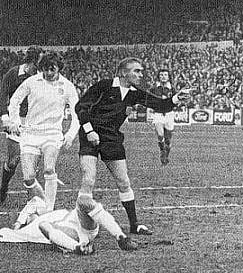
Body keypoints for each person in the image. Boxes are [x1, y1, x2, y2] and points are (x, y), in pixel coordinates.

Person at [75, 57, 187, 235]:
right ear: (123, 72)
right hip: (90, 136)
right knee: (89, 179)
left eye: (141, 71)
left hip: (112, 138)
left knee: (123, 181)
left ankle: (134, 224)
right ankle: (81, 224)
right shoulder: (104, 86)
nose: (141, 74)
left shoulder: (135, 93)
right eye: (137, 71)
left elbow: (160, 104)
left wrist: (175, 98)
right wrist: (89, 130)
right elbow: (81, 106)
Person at [8, 52, 80, 213]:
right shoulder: (32, 81)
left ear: (59, 69)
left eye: (52, 70)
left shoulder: (67, 86)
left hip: (52, 134)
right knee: (28, 178)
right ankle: (44, 205)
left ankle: (48, 210)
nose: (48, 73)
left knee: (49, 169)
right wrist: (15, 121)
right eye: (45, 69)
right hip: (30, 134)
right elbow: (14, 101)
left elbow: (78, 113)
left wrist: (70, 135)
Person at [12, 194, 137, 254]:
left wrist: (19, 222)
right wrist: (19, 228)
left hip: (79, 223)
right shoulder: (29, 230)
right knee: (43, 225)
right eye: (30, 218)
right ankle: (77, 248)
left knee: (83, 200)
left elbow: (35, 201)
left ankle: (121, 237)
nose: (32, 218)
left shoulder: (45, 213)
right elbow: (42, 226)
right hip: (69, 233)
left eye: (32, 216)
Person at [0, 47, 41, 203]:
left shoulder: (41, 77)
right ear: (31, 62)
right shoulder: (13, 74)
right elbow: (2, 95)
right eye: (38, 64)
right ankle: (3, 187)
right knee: (14, 160)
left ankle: (33, 197)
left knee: (32, 160)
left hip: (34, 123)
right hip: (15, 120)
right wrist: (6, 119)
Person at [150, 68, 177, 165]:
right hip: (158, 114)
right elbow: (148, 99)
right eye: (161, 75)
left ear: (169, 77)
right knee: (160, 135)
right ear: (158, 77)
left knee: (168, 140)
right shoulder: (154, 88)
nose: (163, 77)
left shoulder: (172, 88)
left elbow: (176, 101)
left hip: (169, 115)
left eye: (165, 75)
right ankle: (162, 151)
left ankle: (166, 156)